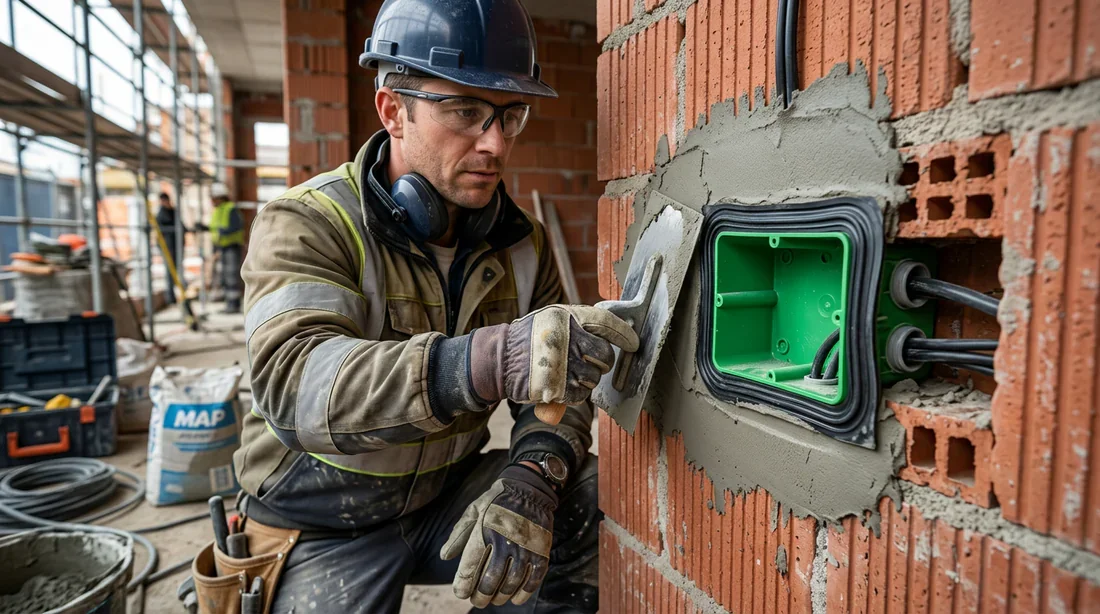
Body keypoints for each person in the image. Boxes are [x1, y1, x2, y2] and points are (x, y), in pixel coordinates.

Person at [226, 1, 639, 612]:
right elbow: (294, 387)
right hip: (320, 518)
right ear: (393, 110)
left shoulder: (522, 242)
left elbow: (559, 393)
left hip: (442, 495)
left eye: (510, 115)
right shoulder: (309, 222)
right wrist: (485, 362)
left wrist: (533, 475)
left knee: (590, 496)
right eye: (465, 111)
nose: (494, 143)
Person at [207, 183, 244, 313]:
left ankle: (234, 305)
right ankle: (229, 303)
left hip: (232, 247)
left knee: (231, 275)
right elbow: (215, 228)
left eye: (213, 198)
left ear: (220, 197)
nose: (212, 201)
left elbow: (236, 226)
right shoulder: (218, 210)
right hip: (222, 247)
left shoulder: (230, 209)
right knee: (225, 276)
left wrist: (223, 231)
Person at [154, 192, 182, 304]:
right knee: (170, 271)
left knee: (175, 270)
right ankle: (170, 297)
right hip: (167, 246)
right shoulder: (161, 214)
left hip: (175, 245)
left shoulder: (173, 211)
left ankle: (175, 295)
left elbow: (181, 225)